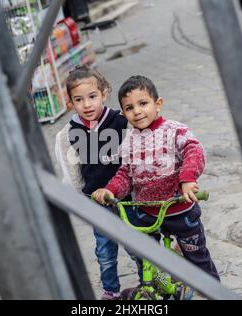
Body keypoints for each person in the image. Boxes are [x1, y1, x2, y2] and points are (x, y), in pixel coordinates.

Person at [92, 75, 220, 290]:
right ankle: (156, 288)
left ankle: (215, 291)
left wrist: (187, 179)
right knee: (146, 257)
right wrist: (110, 190)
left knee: (197, 258)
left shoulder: (173, 130)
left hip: (179, 209)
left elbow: (193, 150)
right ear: (124, 114)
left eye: (143, 103)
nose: (137, 111)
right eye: (130, 108)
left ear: (157, 104)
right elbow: (126, 174)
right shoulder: (128, 142)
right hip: (146, 212)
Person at [55, 65, 138, 300]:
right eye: (79, 100)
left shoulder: (121, 122)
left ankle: (147, 282)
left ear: (104, 93)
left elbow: (137, 152)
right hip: (97, 201)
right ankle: (110, 290)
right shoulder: (69, 133)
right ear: (70, 103)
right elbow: (71, 168)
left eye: (92, 97)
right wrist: (81, 194)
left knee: (136, 245)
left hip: (127, 199)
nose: (87, 104)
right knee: (104, 250)